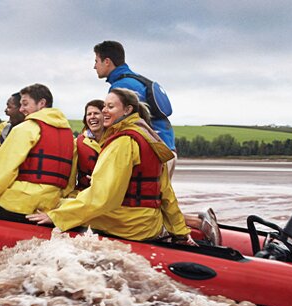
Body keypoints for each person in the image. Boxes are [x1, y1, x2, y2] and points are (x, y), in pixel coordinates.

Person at [27, 88, 192, 243]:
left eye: (110, 107)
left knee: (56, 204)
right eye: (104, 106)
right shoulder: (148, 139)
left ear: (127, 110)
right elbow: (167, 194)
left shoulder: (123, 142)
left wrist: (56, 216)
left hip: (128, 224)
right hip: (149, 223)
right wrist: (180, 232)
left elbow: (102, 196)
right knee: (69, 203)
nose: (104, 110)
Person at [0, 83, 77, 215]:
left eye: (25, 104)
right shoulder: (69, 136)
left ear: (41, 103)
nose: (21, 109)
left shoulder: (25, 129)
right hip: (50, 203)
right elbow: (70, 178)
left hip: (18, 202)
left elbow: (3, 170)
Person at [93, 40, 177, 178]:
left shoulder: (122, 86)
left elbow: (121, 124)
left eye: (96, 61)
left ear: (107, 61)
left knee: (141, 190)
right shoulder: (137, 80)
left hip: (155, 152)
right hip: (167, 146)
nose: (94, 66)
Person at [73, 99, 105, 193]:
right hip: (83, 193)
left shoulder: (116, 141)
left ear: (105, 116)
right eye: (89, 114)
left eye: (96, 113)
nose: (92, 117)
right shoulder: (77, 143)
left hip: (110, 194)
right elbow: (71, 176)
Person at [0, 92, 25, 159]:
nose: (5, 110)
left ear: (22, 109)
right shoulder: (4, 129)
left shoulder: (36, 132)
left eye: (9, 107)